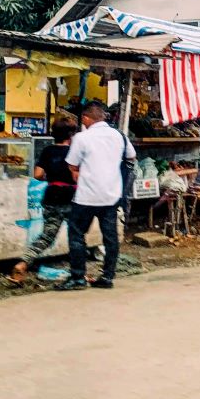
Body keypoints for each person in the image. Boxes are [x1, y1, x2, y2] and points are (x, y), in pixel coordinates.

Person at [57, 101, 135, 291]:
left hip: (87, 196)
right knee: (110, 238)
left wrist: (79, 170)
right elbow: (131, 156)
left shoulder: (82, 138)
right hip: (111, 195)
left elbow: (72, 164)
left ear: (85, 118)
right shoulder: (119, 136)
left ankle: (77, 277)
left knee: (76, 234)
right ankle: (107, 276)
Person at [9, 118, 76, 285]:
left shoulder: (47, 151)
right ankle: (78, 273)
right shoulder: (75, 151)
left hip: (51, 195)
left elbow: (37, 175)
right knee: (77, 236)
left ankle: (22, 263)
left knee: (46, 237)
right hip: (71, 197)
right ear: (71, 135)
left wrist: (52, 177)